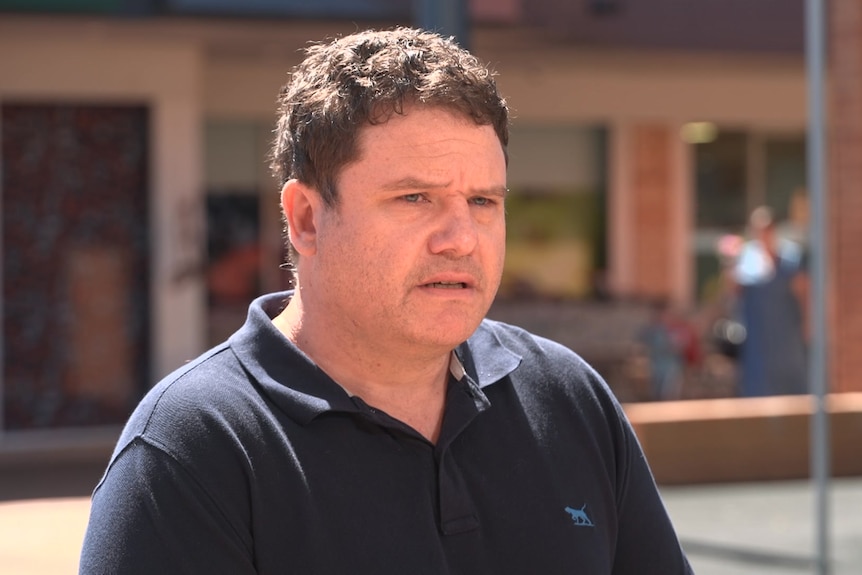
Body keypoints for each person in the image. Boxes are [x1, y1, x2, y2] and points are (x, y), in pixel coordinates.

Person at [80, 27, 692, 574]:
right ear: (307, 219)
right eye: (414, 199)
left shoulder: (568, 398)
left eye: (483, 201)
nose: (461, 239)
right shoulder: (192, 451)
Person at [733, 205, 809, 396]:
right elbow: (735, 290)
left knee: (792, 390)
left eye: (767, 229)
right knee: (759, 391)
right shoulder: (747, 259)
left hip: (786, 339)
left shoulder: (790, 257)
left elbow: (805, 291)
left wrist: (809, 323)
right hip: (759, 341)